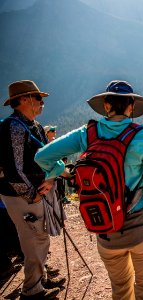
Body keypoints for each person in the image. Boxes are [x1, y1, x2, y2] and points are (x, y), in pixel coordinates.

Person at [35, 80, 143, 300]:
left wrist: (61, 171)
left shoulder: (87, 133)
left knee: (120, 287)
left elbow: (42, 156)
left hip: (106, 228)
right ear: (131, 107)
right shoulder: (142, 136)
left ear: (106, 106)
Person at [0, 80, 65, 299]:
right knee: (33, 239)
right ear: (25, 99)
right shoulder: (14, 127)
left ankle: (40, 278)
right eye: (38, 98)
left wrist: (50, 179)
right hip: (22, 196)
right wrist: (32, 194)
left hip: (34, 193)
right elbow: (13, 169)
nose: (42, 102)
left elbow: (44, 158)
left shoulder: (31, 125)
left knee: (39, 237)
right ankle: (32, 291)